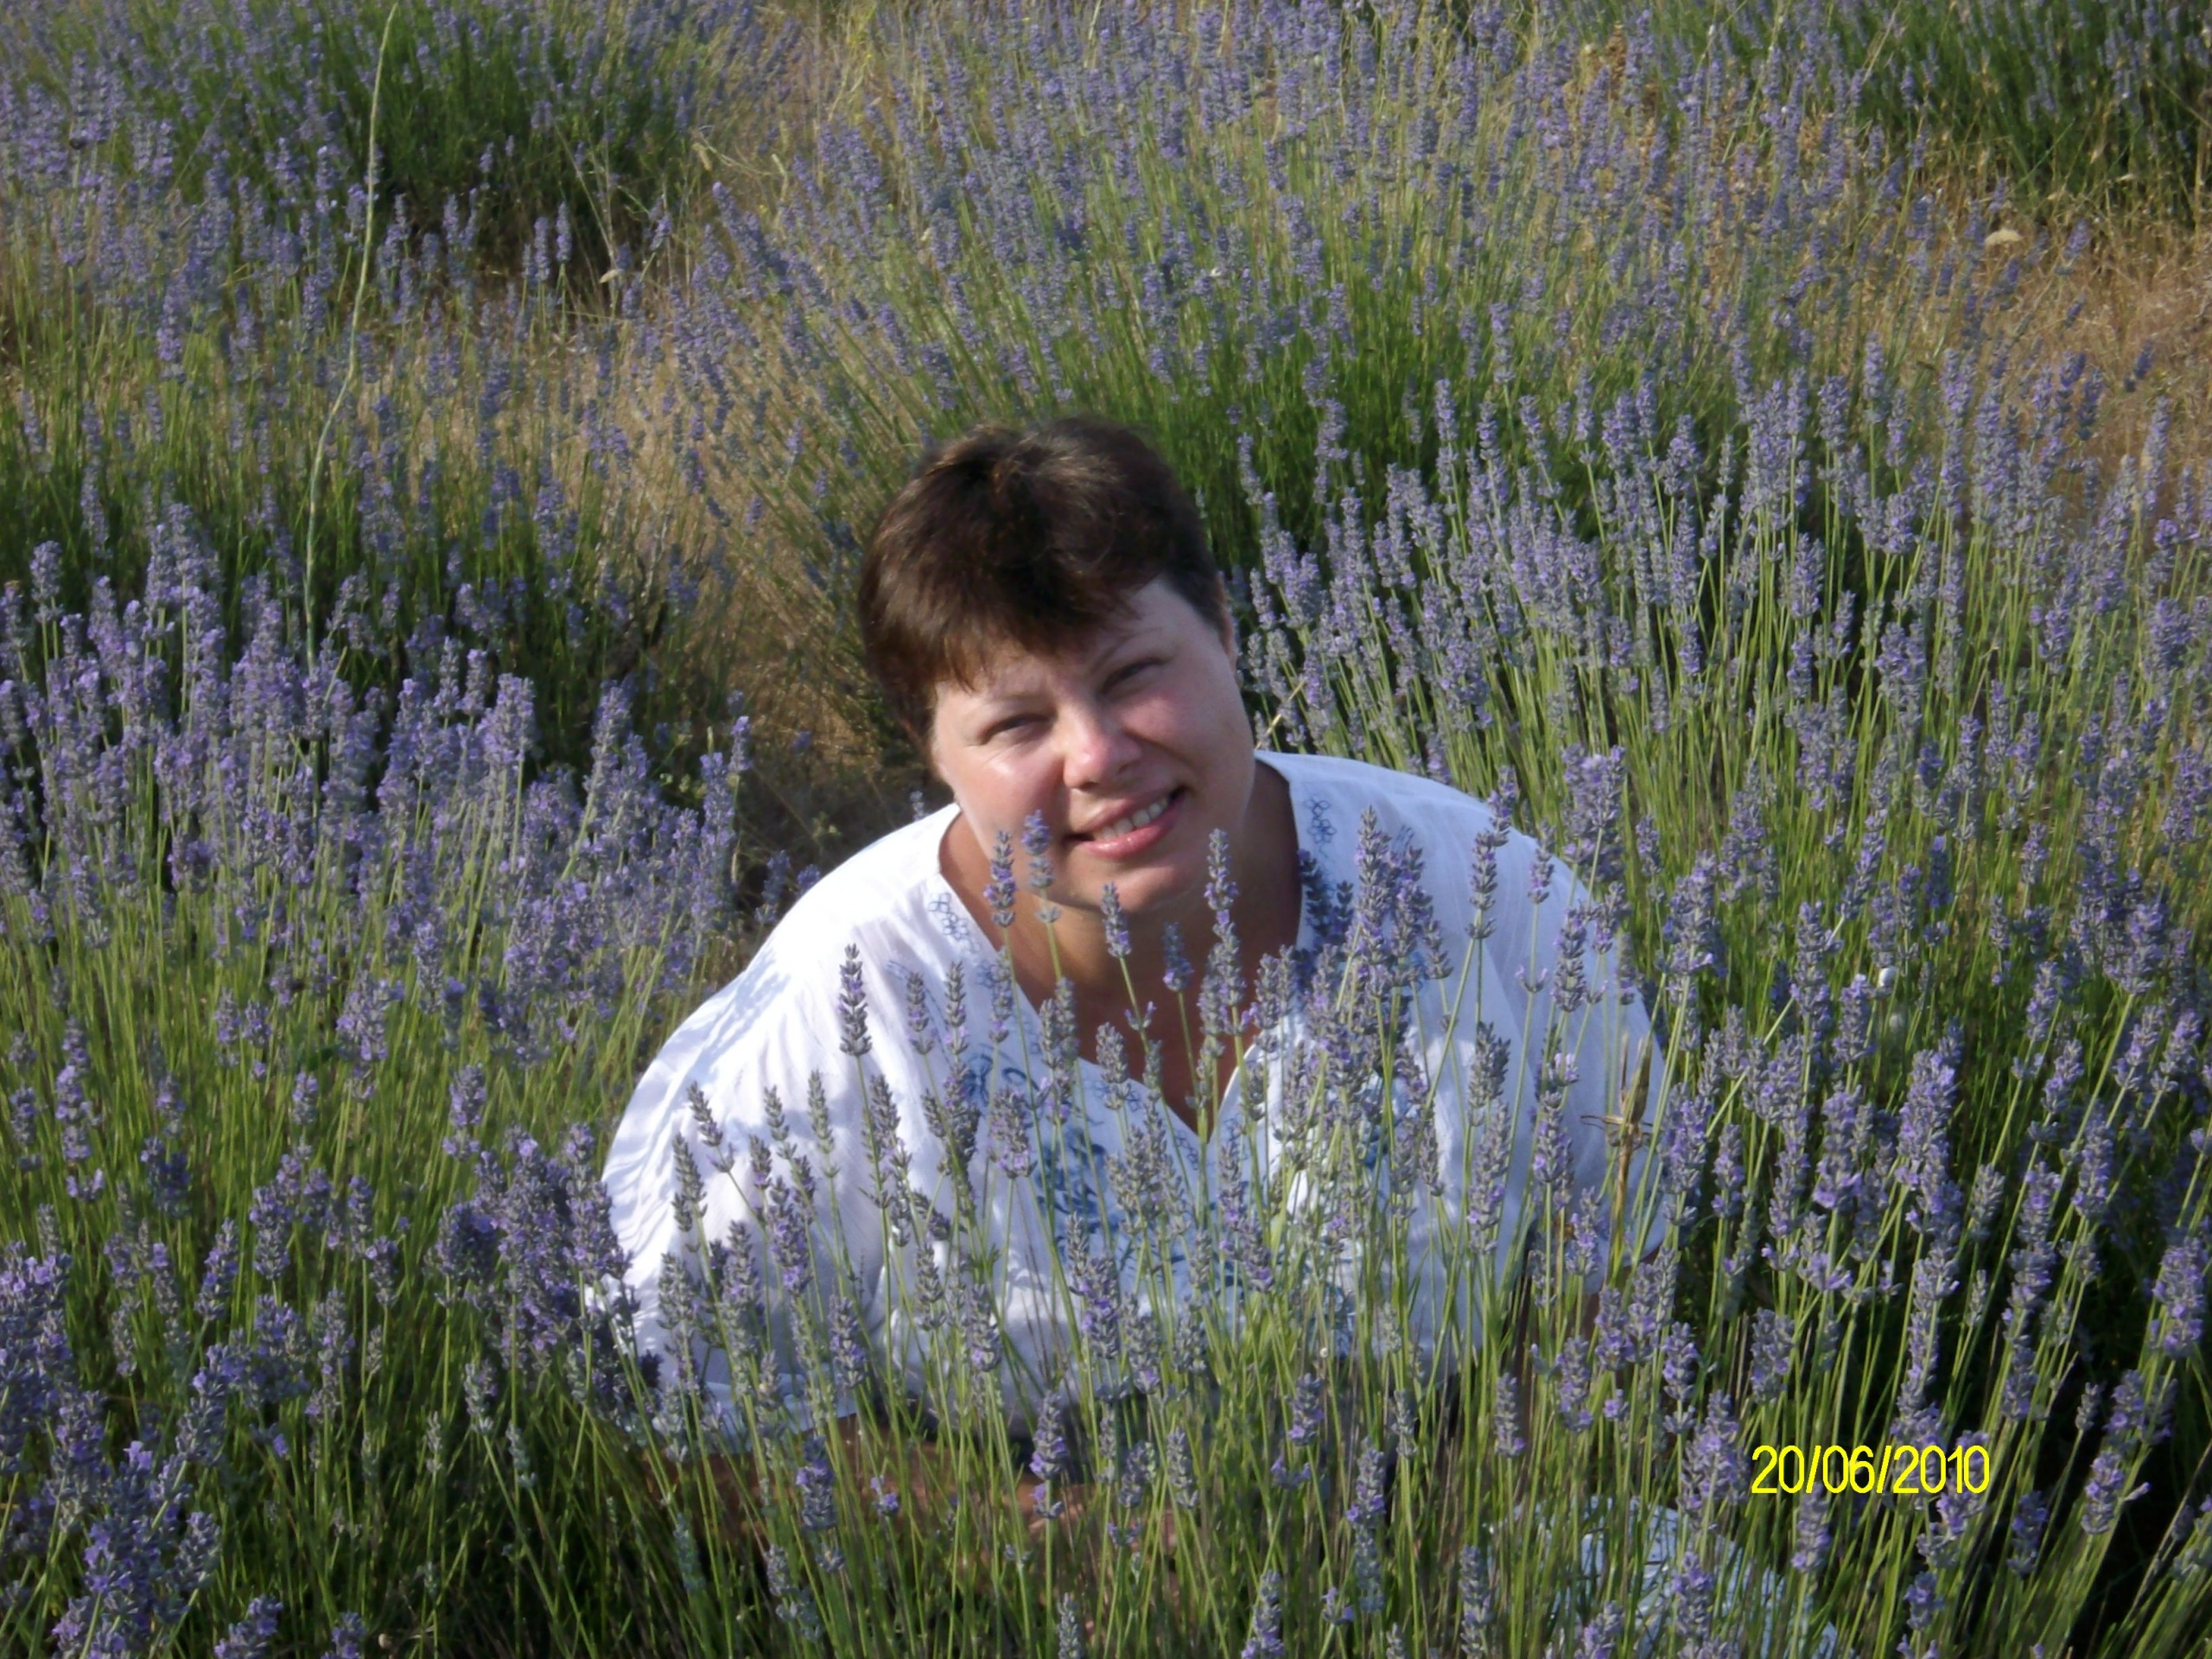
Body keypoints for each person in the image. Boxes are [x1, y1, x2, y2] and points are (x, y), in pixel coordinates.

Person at [597, 413, 1668, 1530]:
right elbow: (661, 1409)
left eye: (1135, 674)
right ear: (932, 751)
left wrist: (1465, 1529)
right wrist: (1069, 1555)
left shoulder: (1479, 895)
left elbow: (1614, 1253)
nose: (1100, 755)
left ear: (1225, 631)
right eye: (1017, 724)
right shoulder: (837, 1009)